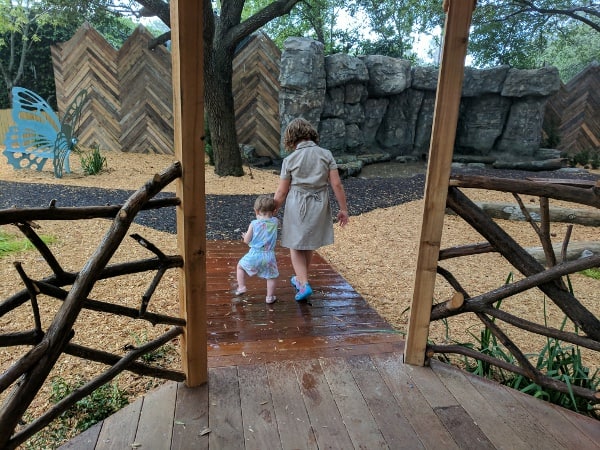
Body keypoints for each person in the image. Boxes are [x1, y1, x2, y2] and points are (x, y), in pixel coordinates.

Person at [274, 118, 349, 302]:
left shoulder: (290, 160)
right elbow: (337, 184)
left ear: (291, 138)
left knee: (295, 243)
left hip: (297, 202)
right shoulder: (326, 154)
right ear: (310, 134)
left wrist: (270, 210)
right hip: (320, 202)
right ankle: (301, 279)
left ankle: (303, 283)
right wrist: (343, 209)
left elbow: (282, 191)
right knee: (308, 242)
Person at [235, 194, 279, 304]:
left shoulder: (254, 224)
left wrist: (245, 236)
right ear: (273, 211)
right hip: (269, 256)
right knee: (271, 277)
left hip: (254, 254)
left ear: (256, 211)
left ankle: (241, 287)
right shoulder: (275, 222)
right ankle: (269, 297)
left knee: (240, 267)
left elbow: (247, 241)